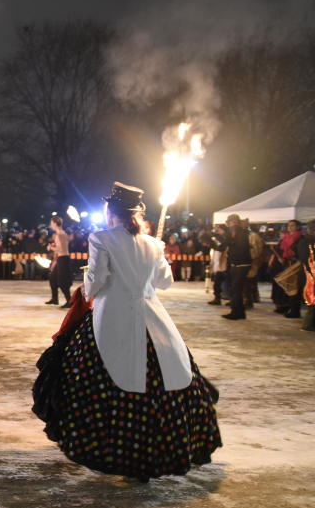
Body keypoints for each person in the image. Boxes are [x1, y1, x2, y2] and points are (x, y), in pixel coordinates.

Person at [32, 182, 221, 482]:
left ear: (112, 212)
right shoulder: (152, 243)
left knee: (97, 381)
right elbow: (164, 282)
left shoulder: (101, 238)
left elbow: (96, 281)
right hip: (153, 319)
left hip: (111, 317)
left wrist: (88, 286)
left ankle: (112, 449)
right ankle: (153, 452)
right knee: (162, 379)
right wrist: (153, 257)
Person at [212, 213, 253, 320]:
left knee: (236, 289)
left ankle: (236, 312)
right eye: (230, 222)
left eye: (233, 222)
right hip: (235, 264)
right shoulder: (232, 233)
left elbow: (240, 247)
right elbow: (224, 245)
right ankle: (240, 313)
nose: (231, 224)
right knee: (235, 289)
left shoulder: (242, 232)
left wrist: (228, 240)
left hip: (242, 264)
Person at [45, 215, 72, 308]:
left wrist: (50, 247)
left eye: (51, 223)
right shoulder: (61, 233)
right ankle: (55, 298)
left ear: (55, 223)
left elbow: (60, 249)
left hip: (63, 259)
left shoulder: (60, 234)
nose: (50, 224)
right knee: (52, 278)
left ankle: (69, 301)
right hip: (62, 258)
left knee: (62, 282)